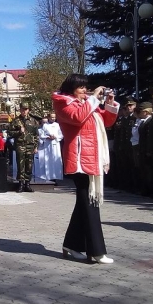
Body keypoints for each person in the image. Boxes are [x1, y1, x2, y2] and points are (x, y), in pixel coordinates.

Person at [53, 74, 118, 264]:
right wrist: (93, 98)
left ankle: (71, 245)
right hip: (79, 159)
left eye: (85, 87)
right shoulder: (63, 102)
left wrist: (110, 104)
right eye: (80, 87)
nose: (84, 91)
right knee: (90, 202)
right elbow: (78, 117)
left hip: (92, 157)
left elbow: (106, 121)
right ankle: (96, 251)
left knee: (85, 203)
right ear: (71, 88)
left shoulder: (87, 103)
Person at [9, 102, 40, 192]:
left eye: (26, 109)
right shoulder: (16, 121)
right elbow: (10, 133)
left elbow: (36, 135)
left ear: (28, 110)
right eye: (22, 109)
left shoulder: (33, 121)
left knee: (29, 165)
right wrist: (19, 131)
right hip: (20, 145)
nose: (24, 111)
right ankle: (21, 184)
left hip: (30, 146)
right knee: (20, 165)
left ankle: (27, 184)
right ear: (20, 110)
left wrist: (36, 146)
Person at [37, 112, 64, 184]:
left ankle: (56, 176)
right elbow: (42, 135)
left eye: (54, 117)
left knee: (56, 160)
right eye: (51, 117)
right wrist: (47, 137)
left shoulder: (57, 125)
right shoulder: (45, 125)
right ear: (49, 117)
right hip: (48, 145)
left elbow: (60, 135)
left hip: (55, 144)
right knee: (48, 160)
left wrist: (56, 137)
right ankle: (48, 176)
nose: (53, 119)